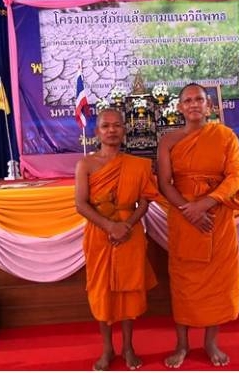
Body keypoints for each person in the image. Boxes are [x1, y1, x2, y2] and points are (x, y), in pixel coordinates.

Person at [158, 83, 239, 368]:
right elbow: (164, 183)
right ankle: (182, 344)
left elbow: (235, 175)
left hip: (217, 218)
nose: (194, 104)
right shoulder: (168, 141)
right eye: (188, 100)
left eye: (199, 99)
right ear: (179, 107)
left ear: (208, 106)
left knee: (218, 282)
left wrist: (206, 203)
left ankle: (210, 342)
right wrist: (189, 210)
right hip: (183, 217)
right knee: (184, 283)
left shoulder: (225, 136)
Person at [75, 109, 159, 371]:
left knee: (128, 291)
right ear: (97, 131)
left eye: (116, 125)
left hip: (129, 233)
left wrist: (127, 225)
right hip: (100, 234)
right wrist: (110, 226)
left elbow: (144, 201)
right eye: (105, 126)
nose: (111, 130)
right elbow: (80, 204)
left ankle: (128, 346)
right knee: (102, 292)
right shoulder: (85, 165)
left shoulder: (138, 164)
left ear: (124, 130)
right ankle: (108, 349)